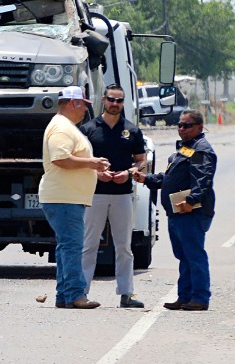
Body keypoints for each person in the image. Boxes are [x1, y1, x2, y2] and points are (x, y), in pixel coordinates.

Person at [134, 109, 216, 311]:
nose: (181, 129)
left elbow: (203, 179)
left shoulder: (201, 149)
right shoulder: (185, 149)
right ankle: (185, 296)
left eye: (186, 125)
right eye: (180, 125)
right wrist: (147, 179)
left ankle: (200, 297)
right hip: (177, 212)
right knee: (184, 256)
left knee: (194, 255)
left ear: (199, 127)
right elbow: (169, 177)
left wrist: (190, 201)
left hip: (191, 211)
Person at [39, 86, 110, 309]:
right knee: (71, 246)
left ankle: (65, 295)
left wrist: (95, 171)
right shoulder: (62, 128)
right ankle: (75, 294)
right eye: (84, 105)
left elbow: (68, 160)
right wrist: (92, 163)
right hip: (64, 197)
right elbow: (61, 158)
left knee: (66, 246)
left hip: (65, 196)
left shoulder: (65, 127)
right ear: (73, 103)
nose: (85, 111)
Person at [79, 84, 146, 308]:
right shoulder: (88, 129)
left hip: (122, 194)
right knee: (89, 245)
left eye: (119, 101)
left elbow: (141, 160)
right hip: (95, 194)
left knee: (124, 246)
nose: (115, 104)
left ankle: (126, 293)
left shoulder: (132, 130)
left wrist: (129, 173)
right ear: (104, 101)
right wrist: (97, 173)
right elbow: (79, 161)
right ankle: (81, 291)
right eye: (111, 100)